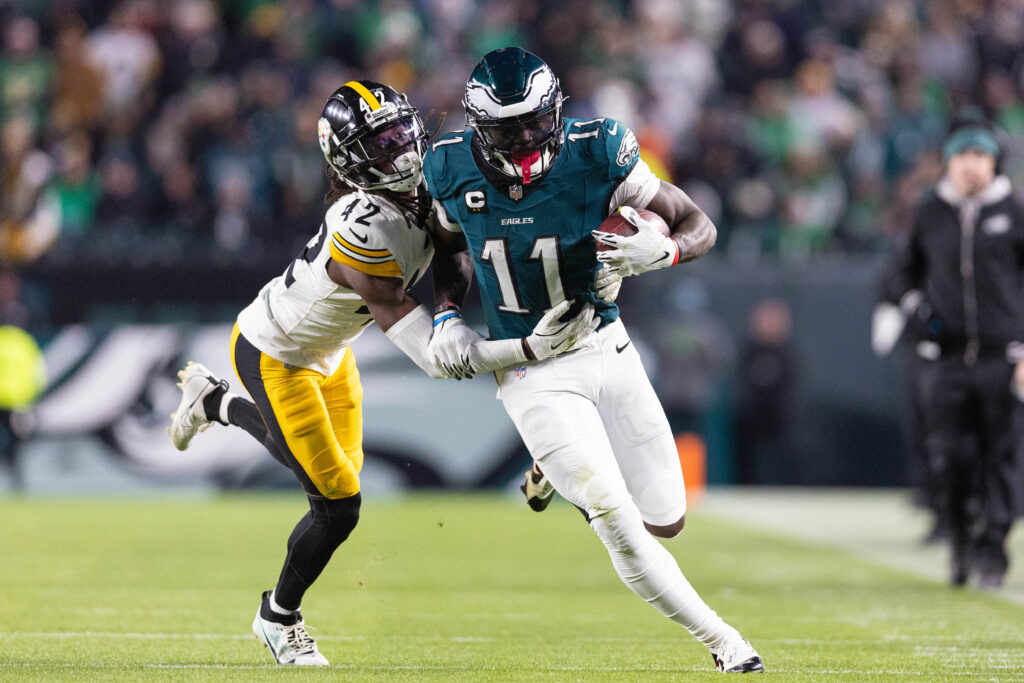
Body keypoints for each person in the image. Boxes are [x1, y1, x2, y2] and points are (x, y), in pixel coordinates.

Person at [167, 80, 596, 666]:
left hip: (332, 351)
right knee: (337, 504)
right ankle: (277, 617)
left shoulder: (433, 174)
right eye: (380, 142)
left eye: (399, 131)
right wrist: (526, 348)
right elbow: (435, 358)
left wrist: (448, 309)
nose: (399, 150)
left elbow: (452, 250)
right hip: (277, 355)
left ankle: (212, 402)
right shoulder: (361, 230)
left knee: (330, 475)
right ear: (349, 159)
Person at [423, 48, 764, 674]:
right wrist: (446, 311)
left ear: (555, 111)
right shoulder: (447, 166)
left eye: (534, 121)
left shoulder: (599, 149)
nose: (525, 137)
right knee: (613, 512)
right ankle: (725, 642)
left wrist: (664, 256)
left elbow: (699, 224)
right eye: (509, 127)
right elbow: (450, 249)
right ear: (479, 128)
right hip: (529, 368)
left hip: (606, 344)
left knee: (666, 518)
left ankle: (551, 467)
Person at [887, 115, 1024, 588]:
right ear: (949, 164)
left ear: (994, 163)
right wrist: (917, 308)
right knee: (950, 455)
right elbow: (902, 273)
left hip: (1001, 355)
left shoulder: (1014, 210)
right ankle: (962, 539)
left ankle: (994, 547)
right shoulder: (931, 212)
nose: (972, 166)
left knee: (1002, 455)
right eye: (964, 157)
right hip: (945, 357)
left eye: (981, 157)